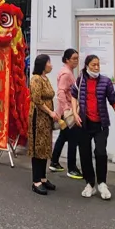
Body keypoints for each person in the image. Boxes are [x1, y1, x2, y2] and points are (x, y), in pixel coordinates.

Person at [73, 54, 115, 201]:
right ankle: (90, 183)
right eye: (93, 65)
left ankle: (102, 183)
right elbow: (73, 94)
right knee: (85, 153)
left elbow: (113, 102)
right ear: (87, 66)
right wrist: (74, 112)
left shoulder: (105, 82)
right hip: (84, 122)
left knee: (100, 152)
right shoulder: (81, 80)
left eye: (98, 65)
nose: (96, 67)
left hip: (101, 124)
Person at [28, 54, 59, 196]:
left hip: (46, 118)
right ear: (43, 64)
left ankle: (43, 177)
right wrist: (50, 112)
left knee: (45, 146)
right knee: (37, 147)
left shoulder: (45, 78)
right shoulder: (36, 79)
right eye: (49, 62)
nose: (51, 65)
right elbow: (37, 100)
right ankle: (36, 181)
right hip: (38, 117)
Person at [49, 48, 82, 179]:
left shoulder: (67, 72)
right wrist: (67, 109)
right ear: (67, 59)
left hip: (65, 110)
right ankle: (72, 168)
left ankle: (54, 161)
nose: (76, 61)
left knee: (63, 136)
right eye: (74, 58)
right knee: (73, 139)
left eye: (77, 58)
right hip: (68, 111)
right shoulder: (66, 74)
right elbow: (61, 92)